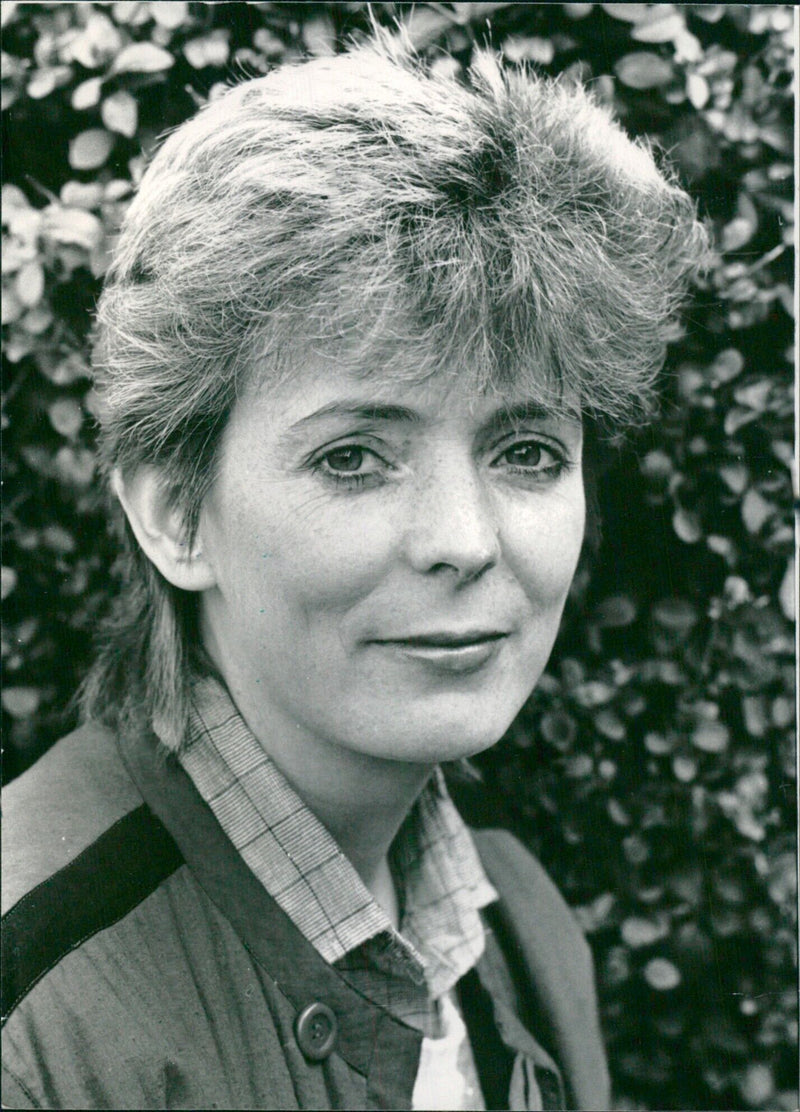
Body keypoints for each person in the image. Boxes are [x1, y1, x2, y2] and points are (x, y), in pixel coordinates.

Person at [1, 35, 707, 1112]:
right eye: (352, 456)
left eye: (525, 451)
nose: (465, 540)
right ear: (173, 510)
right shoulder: (30, 1009)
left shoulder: (523, 926)